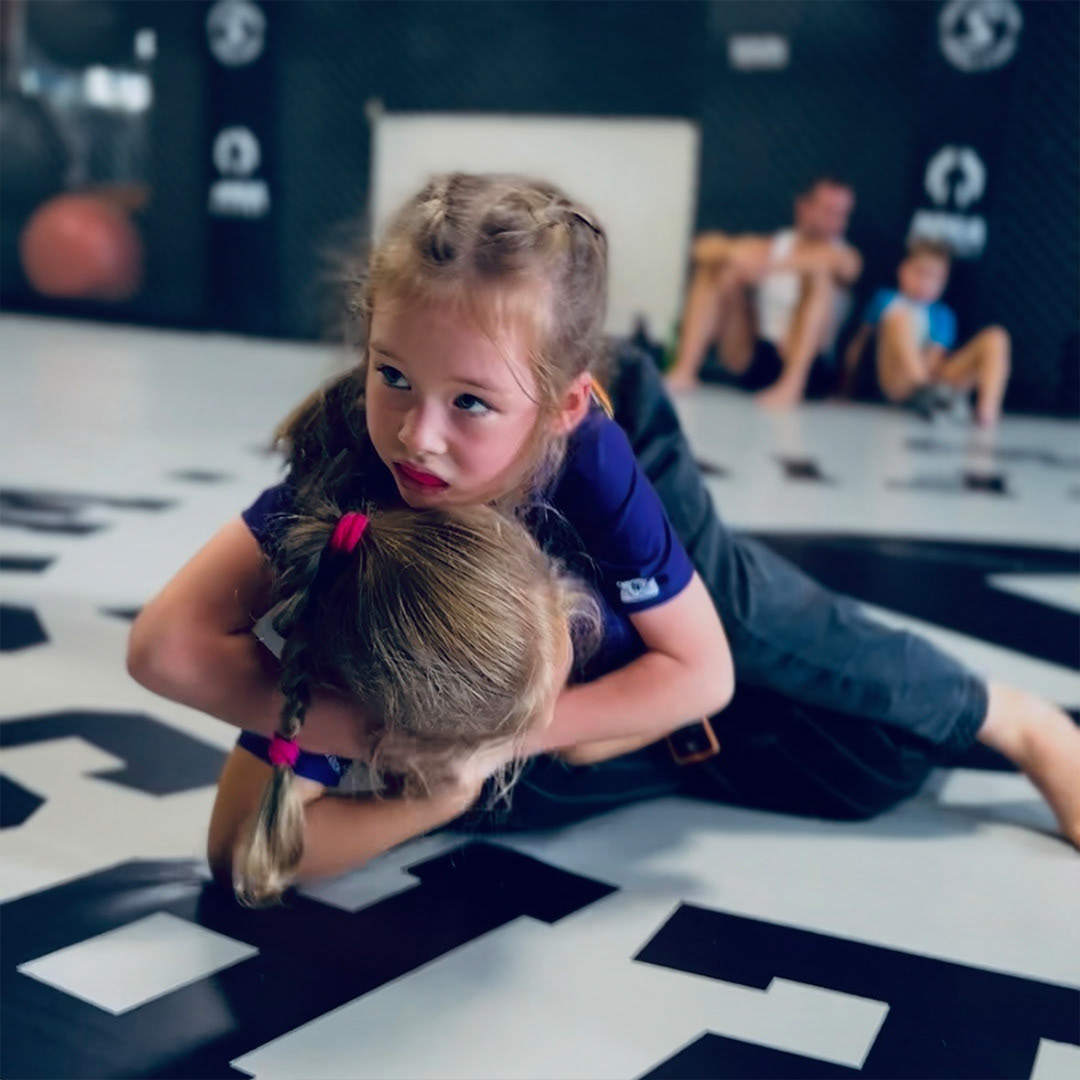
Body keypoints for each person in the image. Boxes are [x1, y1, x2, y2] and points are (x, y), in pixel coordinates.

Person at [127, 174, 1080, 895]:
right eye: (392, 376)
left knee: (742, 620)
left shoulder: (585, 452)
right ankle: (570, 732)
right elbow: (172, 664)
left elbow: (704, 670)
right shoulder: (355, 479)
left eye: (469, 401)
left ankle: (1018, 721)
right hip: (549, 685)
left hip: (602, 515)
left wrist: (481, 740)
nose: (418, 436)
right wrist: (442, 775)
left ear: (561, 405)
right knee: (863, 772)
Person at [227, 499, 592, 904]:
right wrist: (445, 798)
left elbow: (586, 739)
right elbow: (247, 853)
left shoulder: (527, 575)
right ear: (402, 729)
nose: (550, 721)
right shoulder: (329, 684)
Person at [665, 176, 862, 408]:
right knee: (716, 270)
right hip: (756, 356)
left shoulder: (845, 255)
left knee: (818, 278)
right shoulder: (775, 245)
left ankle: (791, 386)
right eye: (828, 211)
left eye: (842, 214)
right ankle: (685, 370)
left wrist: (768, 265)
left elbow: (836, 265)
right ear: (803, 207)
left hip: (810, 370)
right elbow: (701, 248)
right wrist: (733, 254)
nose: (835, 221)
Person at [842, 237, 1011, 426]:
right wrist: (845, 389)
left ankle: (986, 411)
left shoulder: (942, 314)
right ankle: (925, 393)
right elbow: (860, 344)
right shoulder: (886, 300)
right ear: (903, 270)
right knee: (900, 318)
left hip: (935, 377)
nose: (927, 283)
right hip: (897, 382)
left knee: (996, 337)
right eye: (921, 273)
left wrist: (937, 379)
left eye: (937, 278)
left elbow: (935, 359)